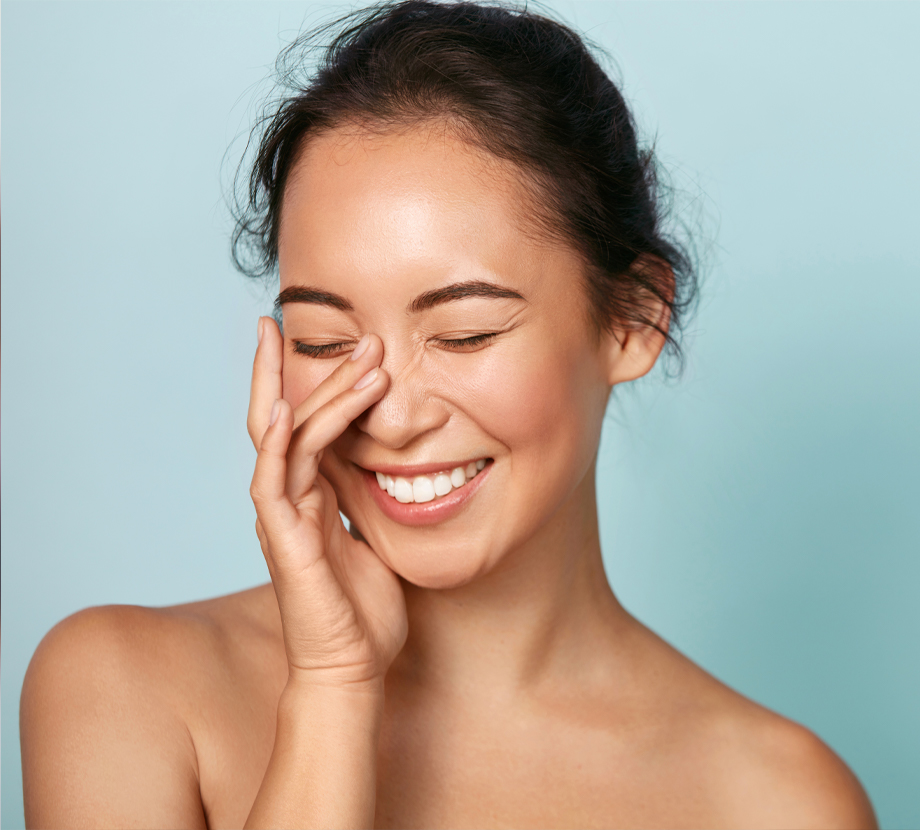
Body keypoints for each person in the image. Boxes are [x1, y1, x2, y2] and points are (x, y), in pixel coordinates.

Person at [19, 1, 877, 827]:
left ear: (634, 319)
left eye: (463, 334)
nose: (389, 417)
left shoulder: (780, 800)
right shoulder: (125, 688)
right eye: (322, 340)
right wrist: (332, 688)